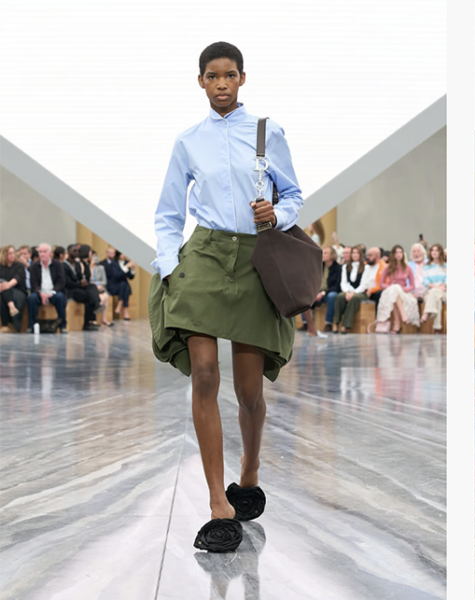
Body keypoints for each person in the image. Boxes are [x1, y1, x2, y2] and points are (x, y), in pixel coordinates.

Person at [149, 42, 304, 553]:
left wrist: (277, 215)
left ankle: (249, 471)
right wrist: (170, 265)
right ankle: (218, 503)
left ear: (242, 78)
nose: (221, 83)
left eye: (230, 75)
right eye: (212, 76)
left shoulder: (267, 132)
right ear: (200, 81)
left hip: (256, 259)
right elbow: (169, 212)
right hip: (205, 257)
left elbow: (294, 196)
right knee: (204, 373)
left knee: (249, 390)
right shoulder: (188, 141)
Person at [374, 245, 420, 334]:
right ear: (393, 254)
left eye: (400, 252)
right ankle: (403, 317)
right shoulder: (387, 267)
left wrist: (402, 289)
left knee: (397, 291)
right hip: (390, 291)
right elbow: (381, 284)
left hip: (403, 292)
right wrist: (391, 286)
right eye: (396, 253)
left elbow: (412, 286)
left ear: (403, 254)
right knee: (395, 289)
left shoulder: (408, 268)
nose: (398, 254)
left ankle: (397, 326)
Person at [303, 246, 341, 334]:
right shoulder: (319, 266)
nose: (322, 255)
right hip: (318, 292)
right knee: (304, 296)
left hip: (329, 292)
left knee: (332, 296)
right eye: (322, 253)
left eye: (325, 253)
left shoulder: (338, 268)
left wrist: (323, 293)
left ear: (332, 255)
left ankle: (329, 323)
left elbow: (337, 286)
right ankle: (306, 323)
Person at [334, 245, 370, 333]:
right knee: (340, 297)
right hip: (348, 291)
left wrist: (353, 293)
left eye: (357, 253)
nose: (355, 255)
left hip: (360, 292)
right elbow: (343, 282)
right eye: (353, 253)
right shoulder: (345, 267)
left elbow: (363, 285)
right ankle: (336, 322)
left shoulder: (366, 267)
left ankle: (346, 325)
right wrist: (346, 292)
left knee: (354, 298)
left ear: (360, 255)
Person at [99, 247, 137, 321]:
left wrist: (133, 269)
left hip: (123, 286)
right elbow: (116, 276)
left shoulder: (127, 262)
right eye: (122, 253)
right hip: (115, 285)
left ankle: (120, 303)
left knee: (124, 285)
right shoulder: (114, 263)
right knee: (124, 285)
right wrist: (126, 267)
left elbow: (131, 277)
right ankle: (125, 310)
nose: (124, 255)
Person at [421, 243, 448, 333]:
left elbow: (447, 280)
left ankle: (427, 313)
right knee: (437, 299)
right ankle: (437, 328)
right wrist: (436, 287)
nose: (434, 252)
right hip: (430, 292)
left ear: (440, 252)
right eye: (432, 250)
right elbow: (425, 281)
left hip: (444, 292)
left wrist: (443, 286)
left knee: (435, 293)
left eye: (437, 250)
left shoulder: (446, 266)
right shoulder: (426, 267)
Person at [0, 245, 27, 329]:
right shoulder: (1, 266)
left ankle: (5, 325)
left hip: (18, 290)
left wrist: (7, 285)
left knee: (5, 289)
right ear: (4, 255)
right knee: (2, 295)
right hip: (3, 290)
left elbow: (17, 279)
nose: (12, 255)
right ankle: (12, 307)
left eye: (13, 253)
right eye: (9, 253)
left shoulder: (19, 266)